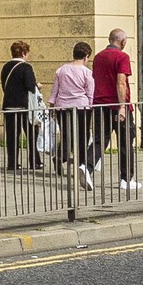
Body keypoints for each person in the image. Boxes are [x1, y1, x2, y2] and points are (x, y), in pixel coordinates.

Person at [92, 27, 138, 193]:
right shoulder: (122, 57)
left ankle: (86, 167)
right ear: (123, 41)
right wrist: (122, 107)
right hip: (117, 105)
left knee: (100, 139)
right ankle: (126, 179)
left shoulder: (98, 57)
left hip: (99, 104)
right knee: (125, 142)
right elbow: (121, 82)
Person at [50, 41, 94, 184]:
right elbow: (90, 93)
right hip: (81, 107)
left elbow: (55, 90)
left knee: (66, 135)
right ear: (86, 56)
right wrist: (91, 106)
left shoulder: (61, 70)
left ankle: (60, 155)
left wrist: (52, 106)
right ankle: (81, 164)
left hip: (63, 107)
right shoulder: (87, 72)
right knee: (82, 135)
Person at [0, 41, 43, 171]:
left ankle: (12, 163)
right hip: (25, 107)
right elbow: (30, 86)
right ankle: (35, 161)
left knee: (12, 136)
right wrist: (38, 86)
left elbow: (4, 85)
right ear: (24, 53)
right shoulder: (26, 67)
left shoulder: (6, 67)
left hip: (8, 105)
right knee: (31, 134)